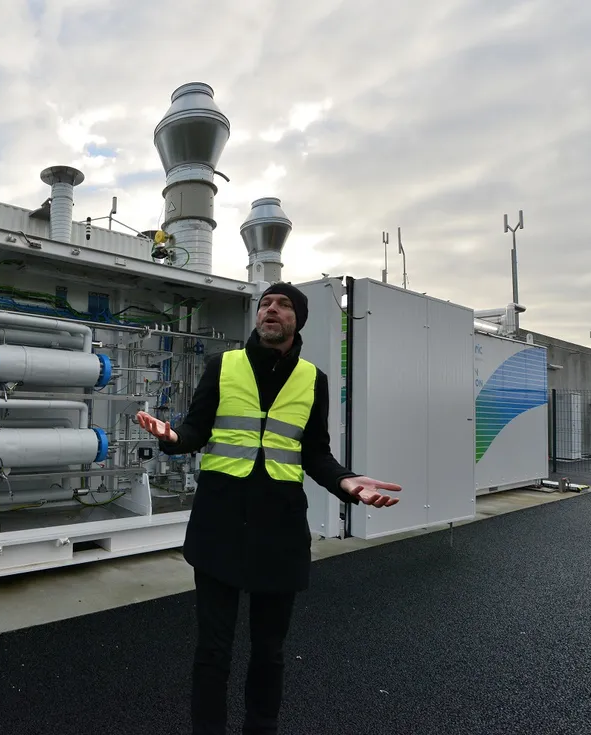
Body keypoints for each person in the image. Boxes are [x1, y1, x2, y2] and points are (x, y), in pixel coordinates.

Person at [135, 282, 401, 735]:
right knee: (213, 650)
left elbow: (315, 452)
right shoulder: (224, 366)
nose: (271, 310)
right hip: (220, 525)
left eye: (282, 305)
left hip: (278, 531)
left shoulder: (312, 379)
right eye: (265, 304)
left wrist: (345, 479)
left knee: (269, 651)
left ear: (297, 320)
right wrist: (174, 438)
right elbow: (196, 430)